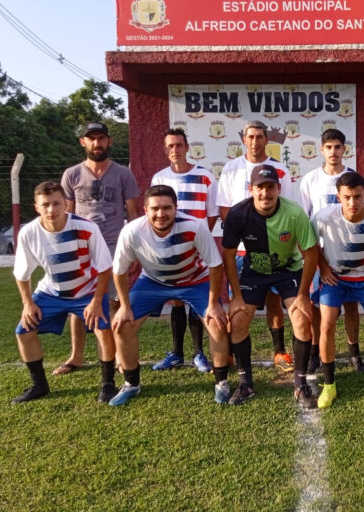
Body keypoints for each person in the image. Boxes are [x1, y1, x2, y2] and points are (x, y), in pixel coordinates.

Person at [109, 185, 229, 407]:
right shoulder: (132, 231)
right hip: (153, 282)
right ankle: (131, 384)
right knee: (122, 325)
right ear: (145, 209)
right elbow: (119, 271)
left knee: (217, 323)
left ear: (176, 208)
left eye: (167, 208)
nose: (161, 214)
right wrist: (125, 306)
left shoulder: (194, 227)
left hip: (194, 280)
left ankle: (221, 382)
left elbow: (215, 265)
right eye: (155, 208)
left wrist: (213, 303)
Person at [222, 164, 319, 407]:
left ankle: (300, 383)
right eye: (260, 188)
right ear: (251, 189)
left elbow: (310, 256)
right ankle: (246, 383)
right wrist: (235, 295)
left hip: (288, 270)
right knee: (238, 319)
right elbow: (229, 255)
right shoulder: (237, 214)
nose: (265, 193)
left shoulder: (295, 213)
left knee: (301, 317)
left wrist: (303, 294)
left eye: (270, 187)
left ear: (278, 188)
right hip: (254, 271)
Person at [12, 181, 117, 403]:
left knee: (103, 329)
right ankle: (39, 386)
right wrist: (27, 304)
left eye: (57, 204)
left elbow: (105, 267)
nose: (52, 210)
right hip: (51, 293)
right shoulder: (28, 233)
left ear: (66, 204)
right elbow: (22, 274)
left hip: (87, 291)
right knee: (23, 331)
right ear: (36, 207)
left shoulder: (87, 227)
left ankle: (108, 385)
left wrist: (97, 301)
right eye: (46, 205)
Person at [55, 121, 139, 375]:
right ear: (83, 142)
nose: (96, 143)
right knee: (79, 304)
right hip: (82, 247)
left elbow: (133, 212)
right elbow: (67, 214)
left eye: (101, 138)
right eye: (91, 139)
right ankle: (76, 357)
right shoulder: (72, 174)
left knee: (115, 301)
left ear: (109, 142)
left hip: (114, 245)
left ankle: (116, 356)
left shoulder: (123, 174)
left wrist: (135, 248)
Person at [312, 171, 364, 408]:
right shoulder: (323, 217)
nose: (352, 203)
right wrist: (323, 267)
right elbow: (308, 243)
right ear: (338, 196)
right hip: (335, 279)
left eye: (358, 196)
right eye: (347, 197)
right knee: (326, 324)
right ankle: (329, 386)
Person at [217, 119, 295, 372]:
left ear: (266, 140)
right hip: (241, 249)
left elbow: (288, 210)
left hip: (273, 248)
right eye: (250, 137)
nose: (255, 141)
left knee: (274, 300)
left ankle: (280, 351)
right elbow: (225, 209)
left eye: (259, 137)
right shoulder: (230, 169)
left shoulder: (280, 170)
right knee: (237, 301)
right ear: (243, 140)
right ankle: (230, 352)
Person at [149, 127, 219, 373]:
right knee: (176, 301)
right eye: (170, 146)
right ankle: (176, 352)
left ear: (187, 147)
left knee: (193, 300)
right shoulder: (159, 178)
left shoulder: (206, 176)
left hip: (196, 248)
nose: (175, 150)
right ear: (165, 149)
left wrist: (197, 239)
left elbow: (211, 215)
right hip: (170, 249)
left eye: (179, 145)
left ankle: (199, 353)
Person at [299, 128, 364, 373]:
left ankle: (354, 353)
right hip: (320, 254)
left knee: (350, 306)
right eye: (329, 147)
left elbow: (361, 213)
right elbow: (304, 221)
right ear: (321, 149)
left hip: (348, 253)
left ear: (344, 149)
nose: (333, 151)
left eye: (338, 147)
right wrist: (316, 261)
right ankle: (316, 352)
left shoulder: (354, 177)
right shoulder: (310, 180)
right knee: (318, 307)